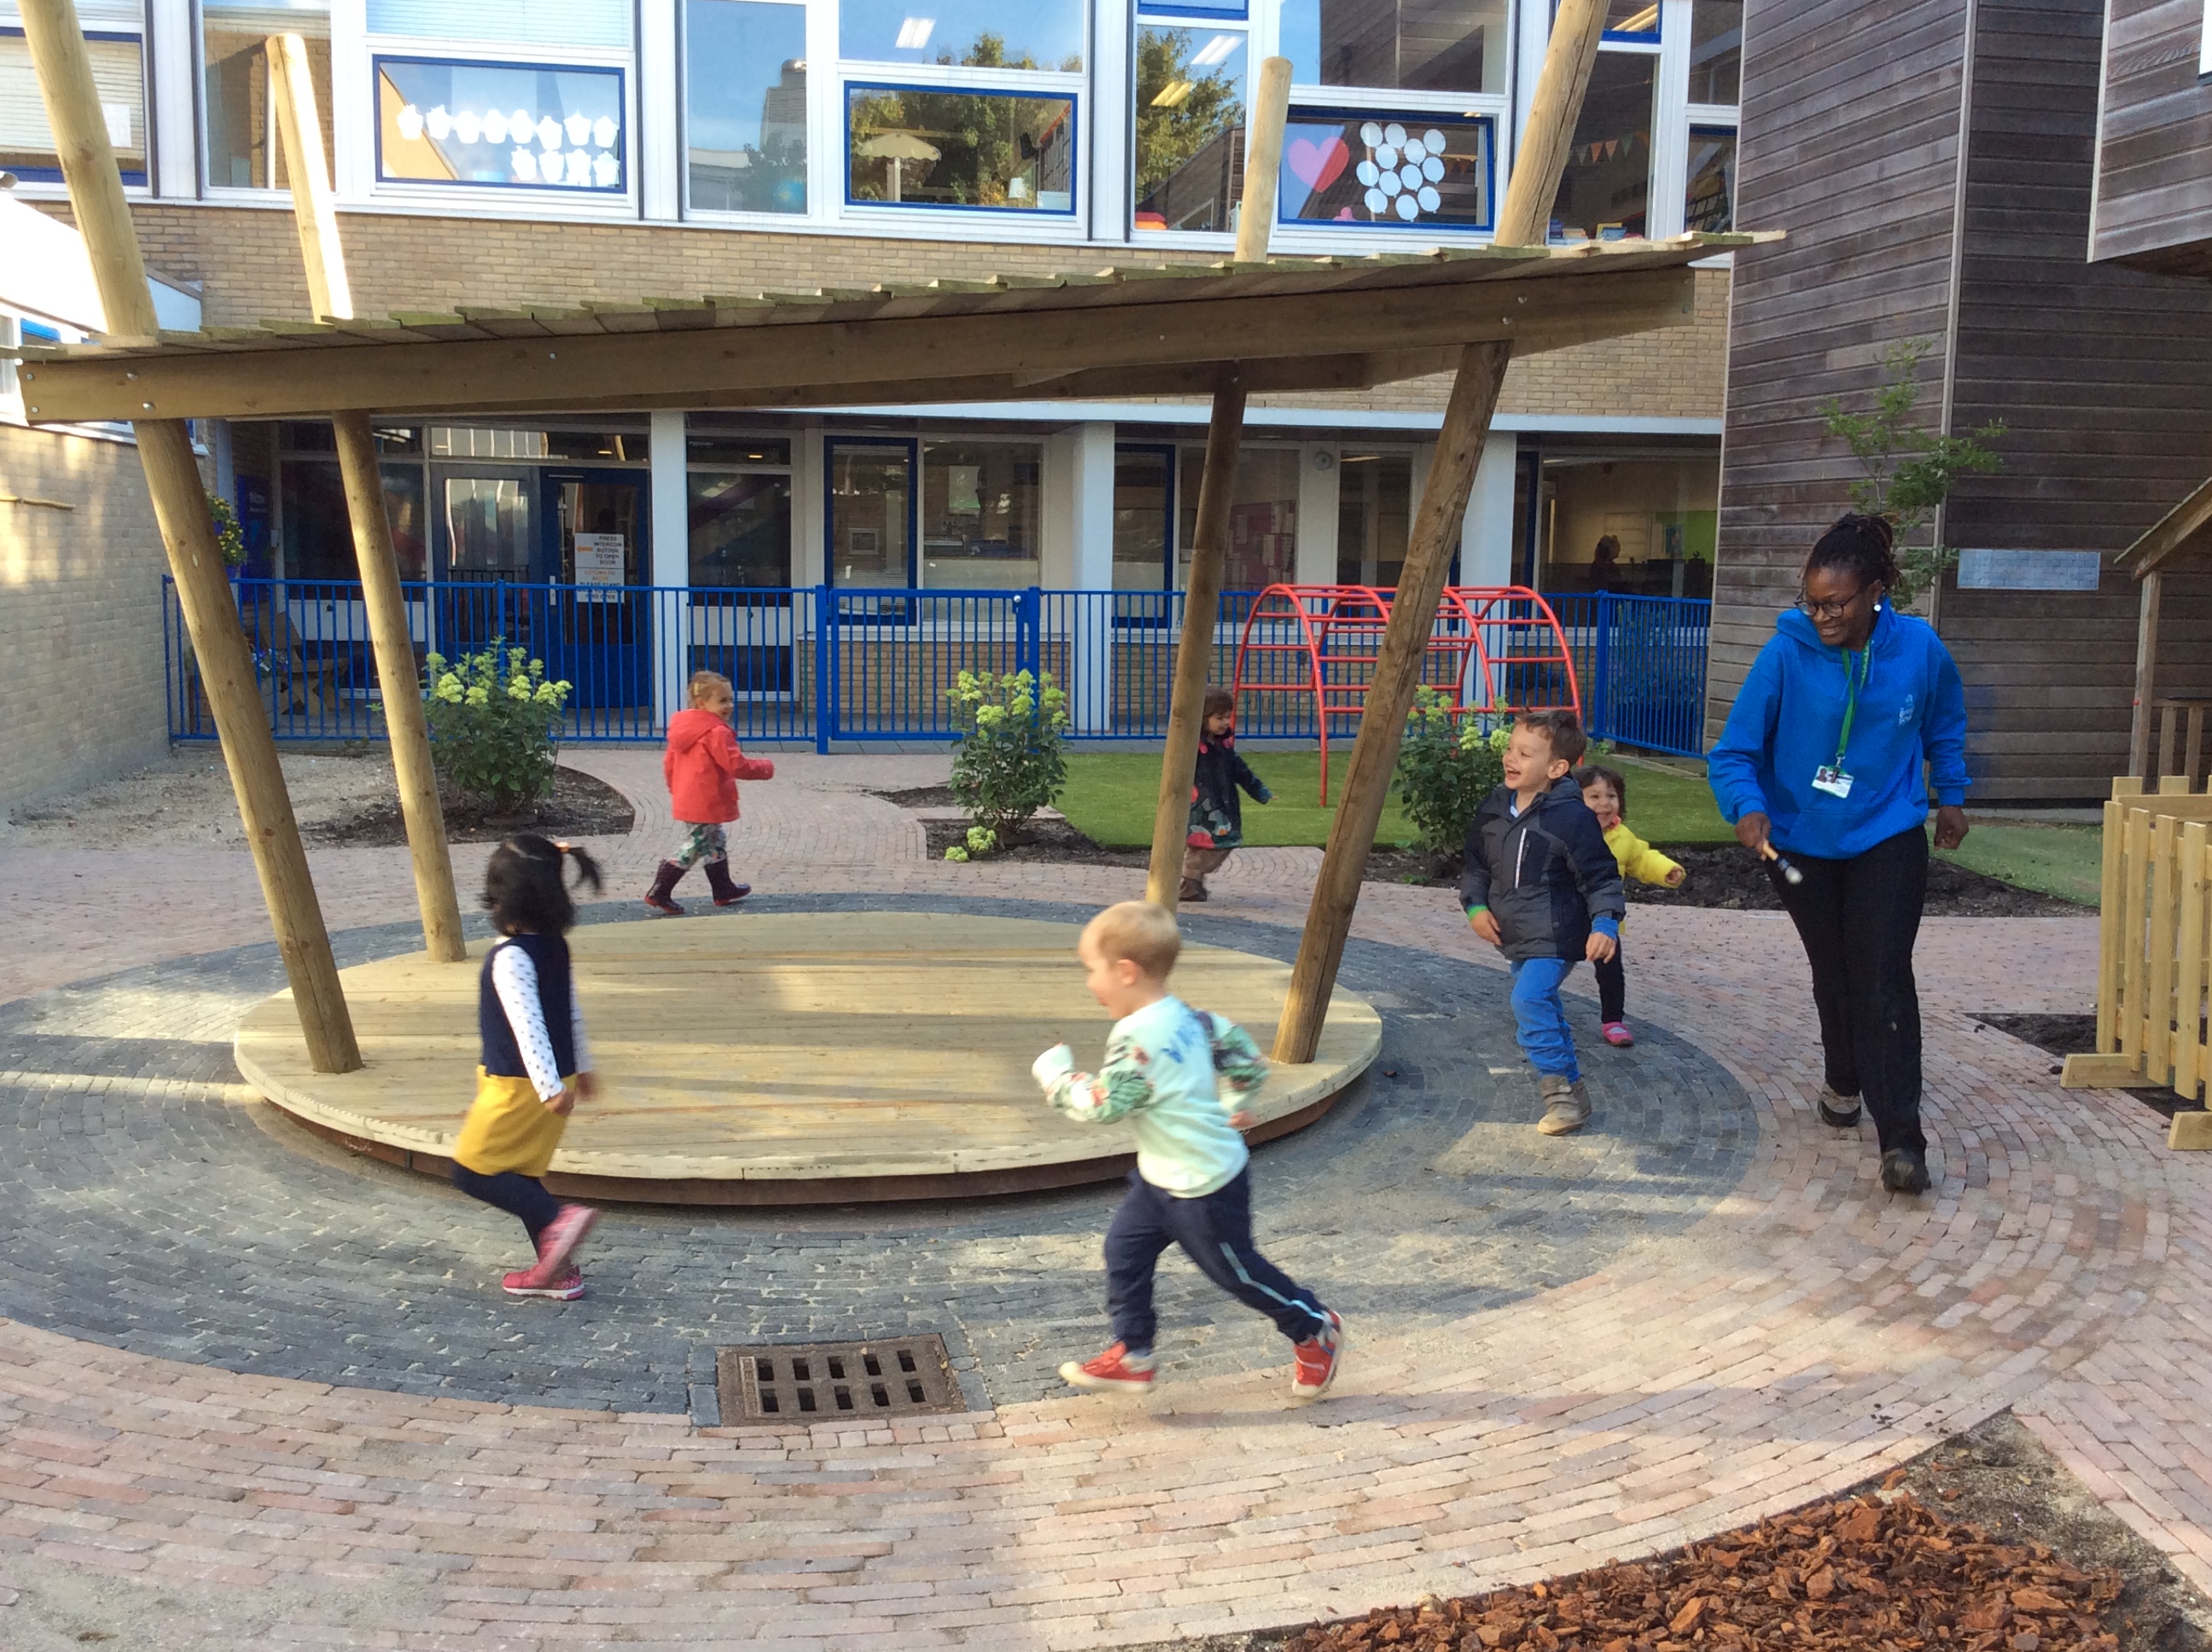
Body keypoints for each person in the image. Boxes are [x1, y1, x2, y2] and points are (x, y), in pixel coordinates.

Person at [1706, 512, 1969, 1195]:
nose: (1822, 615)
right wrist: (1747, 805)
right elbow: (1734, 753)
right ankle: (1843, 1075)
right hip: (1799, 840)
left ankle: (1902, 1139)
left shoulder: (1920, 649)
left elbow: (1945, 721)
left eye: (1837, 604)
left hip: (1889, 830)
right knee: (1836, 967)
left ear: (1876, 591)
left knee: (1882, 972)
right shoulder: (1784, 655)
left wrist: (1954, 795)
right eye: (1812, 602)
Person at [1032, 901, 1347, 1403]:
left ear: (1126, 972)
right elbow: (1245, 1057)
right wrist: (1236, 1101)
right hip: (1159, 1178)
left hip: (1203, 1186)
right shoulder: (1189, 1018)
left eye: (1091, 971)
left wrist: (1056, 1078)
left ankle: (1313, 1327)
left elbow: (1107, 1105)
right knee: (1124, 1251)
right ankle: (1134, 1354)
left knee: (1237, 1274)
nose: (1090, 984)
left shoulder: (1138, 1039)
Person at [452, 835, 605, 1300]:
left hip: (520, 1087)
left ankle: (560, 1222)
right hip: (556, 1080)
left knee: (473, 1170)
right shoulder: (554, 946)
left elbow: (528, 1025)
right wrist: (582, 1067)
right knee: (519, 1173)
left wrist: (546, 1086)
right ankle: (558, 1273)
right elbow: (570, 1009)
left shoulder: (511, 957)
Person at [1461, 711, 1625, 1136]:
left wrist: (1605, 924)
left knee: (1528, 1002)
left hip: (1557, 934)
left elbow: (1601, 876)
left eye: (1524, 754)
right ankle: (1576, 1094)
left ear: (1556, 769)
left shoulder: (1571, 818)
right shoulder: (1495, 807)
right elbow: (1476, 866)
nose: (1510, 758)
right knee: (1545, 1008)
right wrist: (1475, 907)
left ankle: (1559, 1101)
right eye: (1510, 749)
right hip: (1514, 934)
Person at [645, 670, 775, 916]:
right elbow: (735, 765)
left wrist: (677, 790)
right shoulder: (717, 732)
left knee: (713, 840)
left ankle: (723, 888)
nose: (729, 706)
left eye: (730, 699)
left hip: (690, 796)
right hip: (707, 798)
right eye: (723, 701)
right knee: (695, 844)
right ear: (702, 703)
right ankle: (660, 891)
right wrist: (765, 768)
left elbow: (669, 764)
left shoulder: (682, 729)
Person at [1575, 762, 1685, 1049]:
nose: (1604, 803)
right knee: (1548, 965)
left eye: (1611, 796)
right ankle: (1537, 1007)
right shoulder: (1566, 833)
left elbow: (1642, 857)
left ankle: (1613, 1020)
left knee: (1611, 971)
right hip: (1565, 918)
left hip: (1605, 921)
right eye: (1594, 796)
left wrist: (1666, 870)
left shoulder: (1622, 838)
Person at [1183, 686, 1272, 904]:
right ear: (1204, 719)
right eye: (1219, 717)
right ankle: (1189, 879)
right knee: (1213, 844)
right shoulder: (1194, 747)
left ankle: (1191, 883)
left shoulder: (1224, 745)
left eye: (1227, 717)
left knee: (1219, 842)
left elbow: (1239, 769)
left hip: (1222, 804)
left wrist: (1259, 791)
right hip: (1203, 806)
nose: (1225, 722)